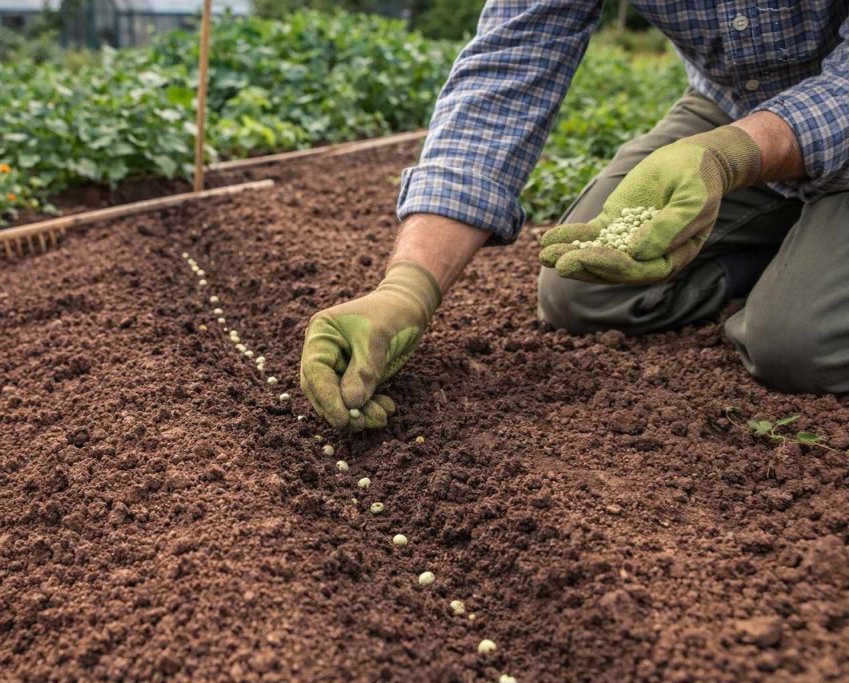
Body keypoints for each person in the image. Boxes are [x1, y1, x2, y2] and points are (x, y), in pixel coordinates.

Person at [299, 1, 849, 431]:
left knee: (796, 347)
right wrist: (407, 289)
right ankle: (790, 243)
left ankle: (806, 267)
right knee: (586, 289)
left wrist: (735, 154)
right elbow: (507, 68)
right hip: (738, 104)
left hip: (815, 112)